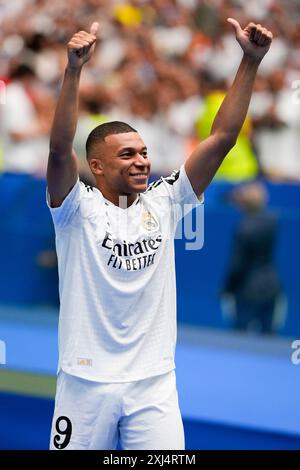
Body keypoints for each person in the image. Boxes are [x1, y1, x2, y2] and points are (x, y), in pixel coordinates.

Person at [47, 20, 273, 450]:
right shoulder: (75, 209)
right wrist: (73, 72)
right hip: (85, 383)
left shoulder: (166, 201)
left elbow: (223, 138)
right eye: (127, 154)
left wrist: (250, 61)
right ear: (95, 167)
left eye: (145, 153)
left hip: (154, 385)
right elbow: (59, 150)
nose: (142, 161)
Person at [221, 182, 283, 334]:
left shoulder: (243, 228)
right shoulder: (273, 222)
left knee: (240, 338)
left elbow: (238, 263)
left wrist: (227, 288)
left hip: (247, 291)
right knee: (269, 338)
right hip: (272, 288)